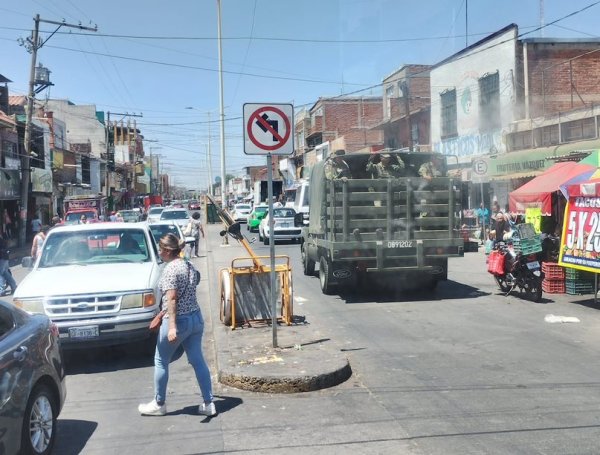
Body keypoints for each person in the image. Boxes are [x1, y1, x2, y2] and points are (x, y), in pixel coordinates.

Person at [138, 233, 216, 417]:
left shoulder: (170, 269)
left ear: (166, 251)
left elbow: (171, 298)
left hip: (178, 320)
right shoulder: (188, 264)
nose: (159, 253)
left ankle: (159, 403)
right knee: (198, 361)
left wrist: (172, 326)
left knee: (161, 360)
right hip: (195, 318)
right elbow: (195, 281)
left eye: (160, 249)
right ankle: (209, 402)